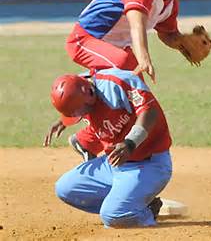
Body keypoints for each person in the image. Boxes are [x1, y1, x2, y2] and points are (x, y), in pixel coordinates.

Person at [44, 68, 173, 227]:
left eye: (82, 111)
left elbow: (150, 111)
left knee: (113, 217)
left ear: (89, 95)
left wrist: (130, 143)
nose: (82, 115)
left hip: (148, 164)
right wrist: (65, 119)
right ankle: (129, 202)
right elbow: (72, 99)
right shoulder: (80, 88)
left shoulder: (117, 83)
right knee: (64, 189)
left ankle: (146, 211)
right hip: (114, 164)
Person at [65, 0, 198, 82]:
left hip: (118, 48)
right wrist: (144, 58)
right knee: (123, 66)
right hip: (84, 40)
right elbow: (137, 24)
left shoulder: (170, 4)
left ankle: (99, 88)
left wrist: (185, 44)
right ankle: (83, 85)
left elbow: (168, 35)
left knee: (138, 90)